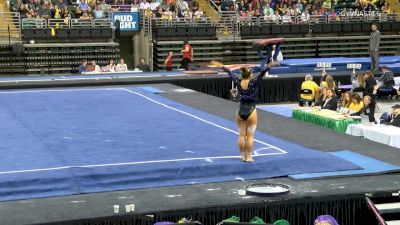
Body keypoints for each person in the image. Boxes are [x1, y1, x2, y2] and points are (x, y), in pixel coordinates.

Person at [212, 59, 278, 162]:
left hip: (240, 110)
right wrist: (270, 65)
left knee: (242, 135)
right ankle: (249, 157)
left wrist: (221, 65)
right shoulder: (253, 82)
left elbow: (229, 72)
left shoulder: (238, 81)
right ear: (250, 75)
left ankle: (243, 156)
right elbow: (263, 72)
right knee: (250, 136)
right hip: (251, 110)